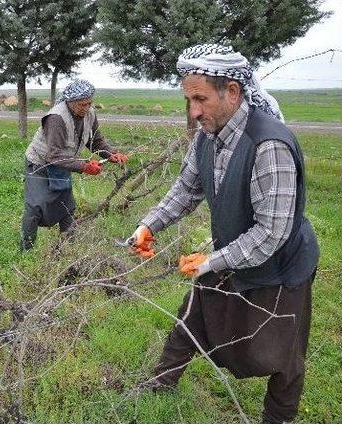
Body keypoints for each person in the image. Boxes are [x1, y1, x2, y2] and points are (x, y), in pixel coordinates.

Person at [129, 44, 319, 424]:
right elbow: (185, 190)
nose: (193, 111)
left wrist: (211, 261)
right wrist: (149, 224)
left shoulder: (269, 145)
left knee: (285, 358)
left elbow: (272, 232)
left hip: (282, 267)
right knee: (193, 316)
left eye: (200, 98)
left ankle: (278, 419)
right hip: (231, 253)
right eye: (188, 99)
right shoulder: (207, 135)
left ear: (232, 91)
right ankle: (160, 382)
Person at [20, 79, 129, 250]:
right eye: (82, 104)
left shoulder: (90, 114)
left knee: (67, 207)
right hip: (40, 165)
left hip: (64, 163)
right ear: (70, 102)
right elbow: (54, 155)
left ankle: (68, 250)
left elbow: (95, 141)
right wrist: (84, 166)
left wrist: (111, 154)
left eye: (89, 103)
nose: (86, 108)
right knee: (35, 208)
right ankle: (25, 252)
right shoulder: (56, 118)